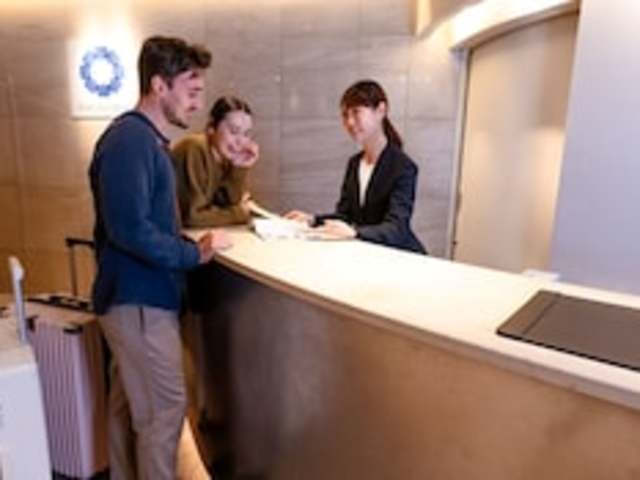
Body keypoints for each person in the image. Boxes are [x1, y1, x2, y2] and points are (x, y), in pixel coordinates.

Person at [89, 36, 230, 480]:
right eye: (191, 90)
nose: (198, 103)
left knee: (131, 411)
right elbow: (130, 229)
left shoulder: (147, 141)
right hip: (139, 303)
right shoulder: (130, 141)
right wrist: (192, 253)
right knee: (163, 414)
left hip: (137, 301)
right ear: (158, 85)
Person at [286, 79, 427, 254]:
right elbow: (346, 216)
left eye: (356, 112)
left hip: (401, 256)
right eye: (345, 115)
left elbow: (396, 228)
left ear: (381, 110)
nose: (350, 122)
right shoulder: (354, 163)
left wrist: (355, 232)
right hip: (368, 252)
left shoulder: (403, 167)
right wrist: (312, 220)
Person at [172, 96, 259, 227]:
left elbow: (228, 203)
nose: (240, 141)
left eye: (246, 134)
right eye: (234, 132)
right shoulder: (194, 148)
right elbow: (192, 218)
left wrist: (239, 167)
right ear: (211, 128)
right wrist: (240, 213)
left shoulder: (226, 157)